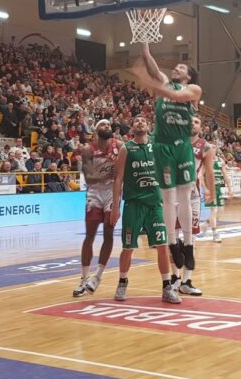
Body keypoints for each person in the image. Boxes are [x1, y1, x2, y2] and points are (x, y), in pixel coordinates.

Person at [135, 43, 208, 296]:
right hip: (163, 146)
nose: (176, 69)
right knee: (168, 198)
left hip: (181, 146)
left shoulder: (193, 90)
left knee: (185, 195)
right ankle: (172, 243)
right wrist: (145, 50)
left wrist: (150, 84)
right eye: (175, 67)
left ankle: (188, 244)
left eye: (181, 68)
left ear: (189, 76)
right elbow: (153, 68)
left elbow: (176, 96)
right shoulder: (165, 82)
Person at [109, 116, 180, 304]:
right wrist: (115, 206)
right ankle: (122, 282)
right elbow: (118, 178)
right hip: (133, 204)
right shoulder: (126, 149)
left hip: (155, 204)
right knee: (128, 247)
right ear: (132, 127)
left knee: (162, 245)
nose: (140, 122)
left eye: (143, 121)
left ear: (148, 126)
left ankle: (167, 287)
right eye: (136, 121)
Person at [72, 119, 121, 297]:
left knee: (108, 232)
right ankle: (84, 278)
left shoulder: (119, 146)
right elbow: (89, 178)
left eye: (109, 125)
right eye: (103, 125)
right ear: (96, 130)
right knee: (90, 235)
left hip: (112, 192)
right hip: (94, 193)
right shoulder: (88, 149)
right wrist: (106, 175)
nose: (107, 126)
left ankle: (97, 276)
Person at [170, 116, 216, 296]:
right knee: (173, 238)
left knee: (191, 237)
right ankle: (174, 279)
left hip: (192, 196)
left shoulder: (206, 147)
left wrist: (212, 193)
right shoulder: (175, 142)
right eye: (189, 121)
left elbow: (209, 172)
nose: (192, 124)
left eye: (196, 122)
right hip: (173, 194)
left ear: (201, 127)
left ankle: (186, 281)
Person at [202, 147, 230, 243]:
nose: (213, 149)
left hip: (218, 189)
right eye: (211, 148)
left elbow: (225, 175)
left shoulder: (220, 160)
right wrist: (205, 188)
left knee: (220, 211)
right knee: (214, 210)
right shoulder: (206, 161)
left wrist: (230, 188)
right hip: (211, 189)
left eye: (214, 148)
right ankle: (215, 233)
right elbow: (200, 176)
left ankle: (206, 223)